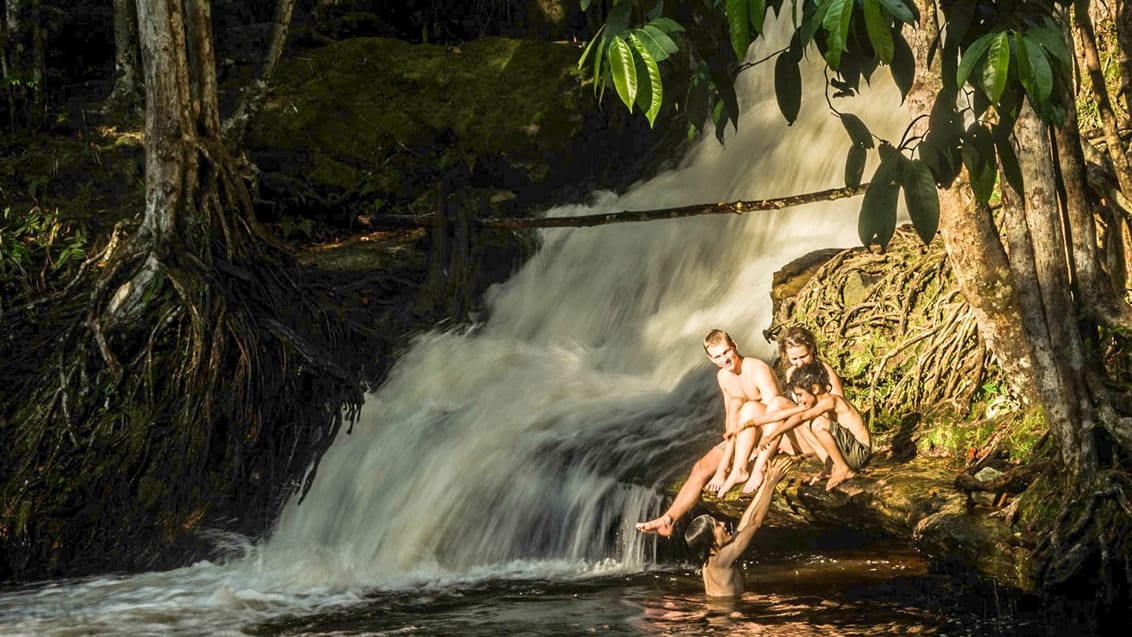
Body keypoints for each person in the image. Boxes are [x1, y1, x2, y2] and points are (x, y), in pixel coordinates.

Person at [635, 329, 801, 537]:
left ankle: (740, 471)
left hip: (771, 433)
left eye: (726, 352)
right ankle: (668, 519)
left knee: (751, 408)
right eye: (718, 356)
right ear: (710, 359)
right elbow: (731, 422)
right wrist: (723, 467)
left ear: (734, 346)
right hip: (744, 433)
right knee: (701, 467)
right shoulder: (723, 377)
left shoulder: (756, 369)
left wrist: (756, 453)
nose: (724, 359)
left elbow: (775, 412)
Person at [727, 359, 870, 491]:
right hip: (848, 451)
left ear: (814, 389)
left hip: (859, 452)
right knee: (802, 418)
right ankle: (829, 467)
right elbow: (778, 415)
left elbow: (801, 417)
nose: (799, 400)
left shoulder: (832, 401)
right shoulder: (814, 402)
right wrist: (747, 424)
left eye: (800, 395)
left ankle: (843, 469)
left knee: (818, 424)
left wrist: (773, 435)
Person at [683, 455, 798, 597]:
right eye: (717, 525)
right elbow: (755, 522)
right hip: (729, 616)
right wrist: (772, 482)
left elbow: (745, 523)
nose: (723, 523)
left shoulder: (712, 559)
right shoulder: (721, 559)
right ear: (711, 542)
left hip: (729, 607)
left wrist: (766, 482)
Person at [778, 326, 844, 397]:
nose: (800, 363)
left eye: (803, 356)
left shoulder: (825, 370)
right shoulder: (790, 373)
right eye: (794, 359)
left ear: (811, 348)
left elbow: (839, 399)